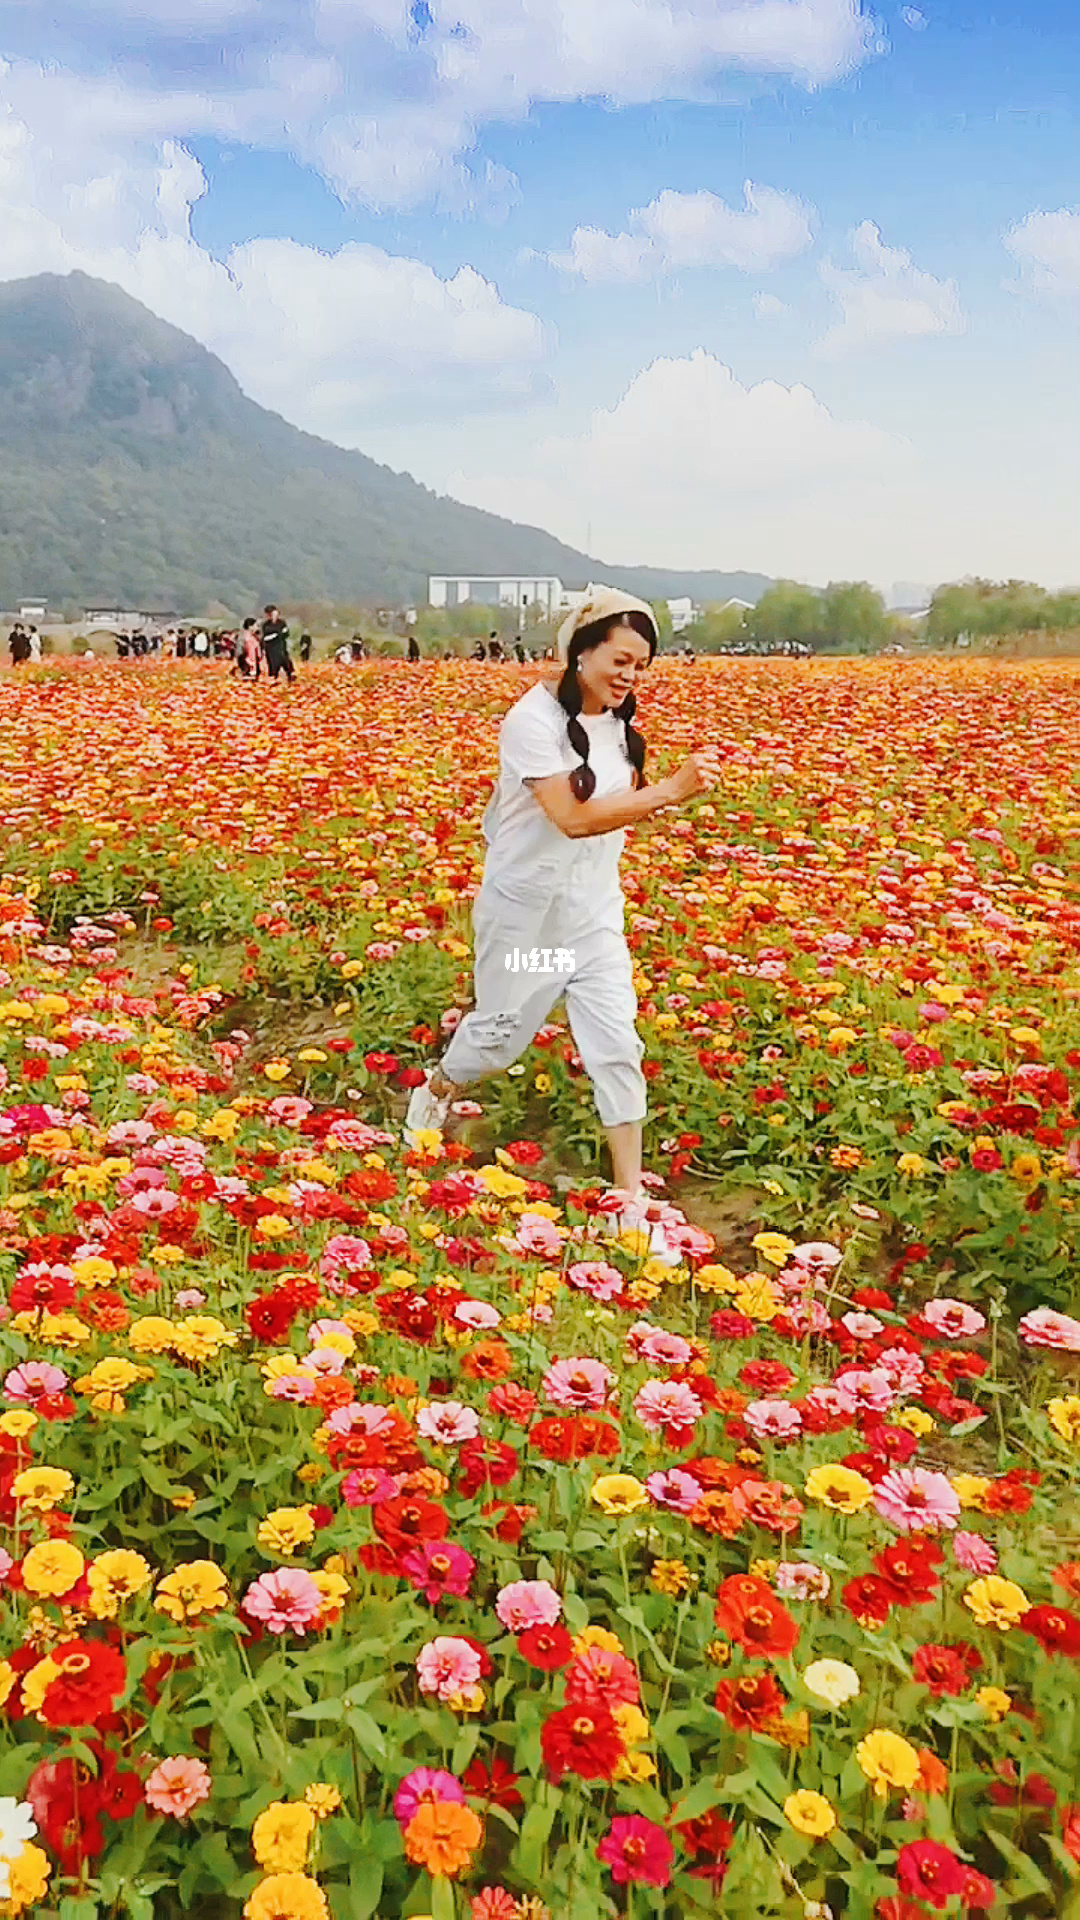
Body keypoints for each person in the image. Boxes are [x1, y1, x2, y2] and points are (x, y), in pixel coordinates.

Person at [404, 585, 722, 1245]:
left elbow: (609, 821)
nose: (630, 675)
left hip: (593, 920)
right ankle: (436, 1087)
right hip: (531, 926)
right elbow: (572, 818)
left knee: (617, 1047)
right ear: (581, 652)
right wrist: (668, 793)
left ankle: (629, 1201)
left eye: (641, 664)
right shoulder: (532, 721)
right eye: (621, 659)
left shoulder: (619, 727)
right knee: (499, 1035)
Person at [261, 604, 294, 682]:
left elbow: (286, 633)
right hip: (271, 648)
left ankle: (290, 675)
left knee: (285, 661)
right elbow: (266, 637)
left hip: (281, 646)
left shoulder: (281, 623)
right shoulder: (266, 625)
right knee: (273, 664)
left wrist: (279, 635)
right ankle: (273, 677)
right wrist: (277, 635)